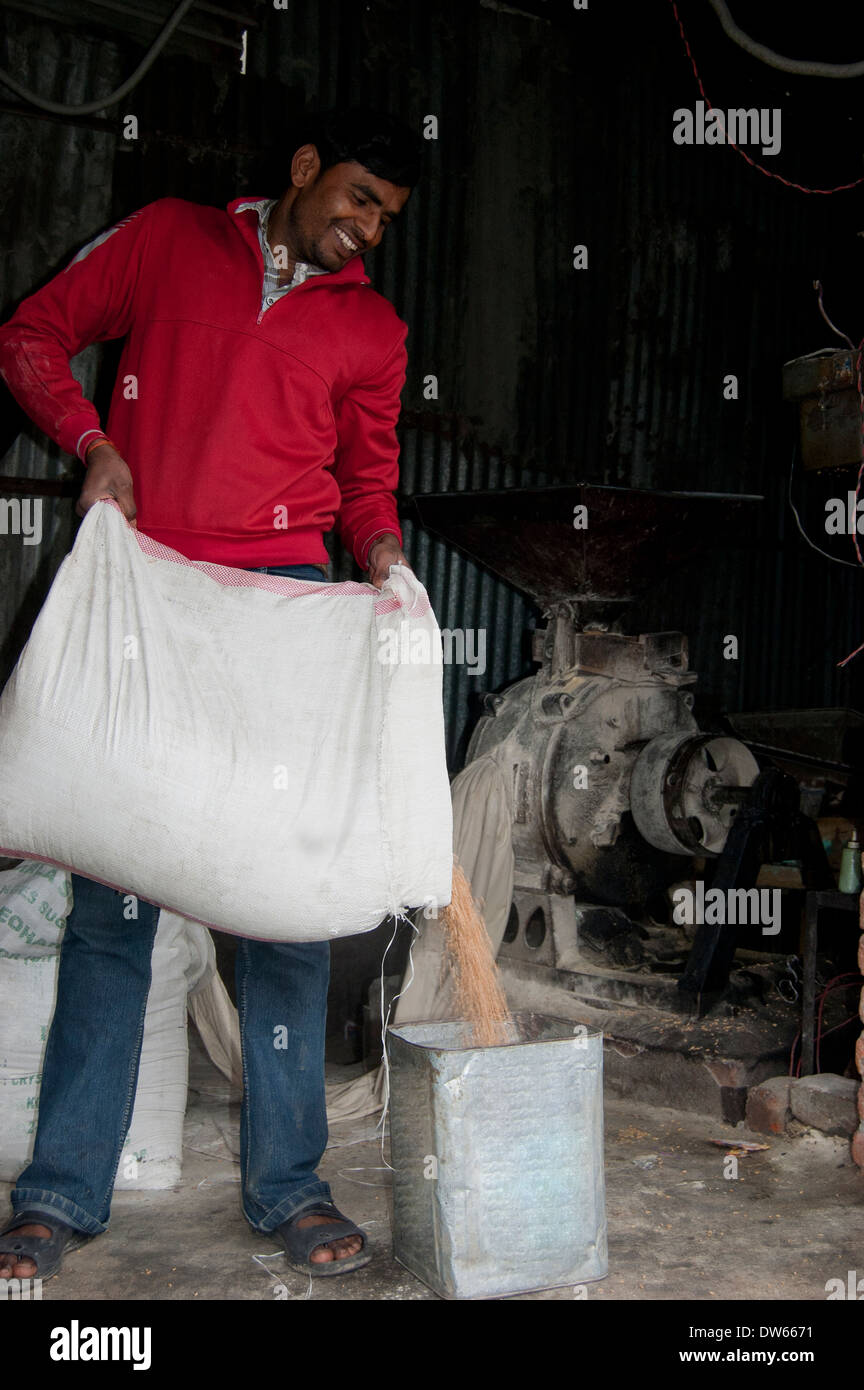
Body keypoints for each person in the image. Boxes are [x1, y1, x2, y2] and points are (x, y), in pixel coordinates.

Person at [0, 106, 422, 1283]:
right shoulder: (167, 241)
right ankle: (61, 1193)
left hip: (278, 615)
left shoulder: (373, 329)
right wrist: (93, 440)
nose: (366, 231)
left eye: (385, 218)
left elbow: (367, 480)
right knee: (113, 911)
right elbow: (29, 336)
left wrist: (384, 559)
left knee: (282, 914)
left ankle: (288, 1185)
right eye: (355, 200)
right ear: (301, 171)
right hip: (147, 600)